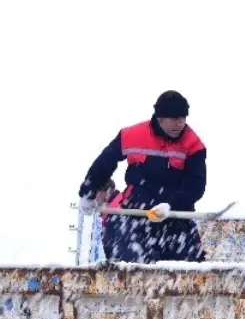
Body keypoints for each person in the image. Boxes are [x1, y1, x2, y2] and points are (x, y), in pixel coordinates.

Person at [77, 90, 207, 263]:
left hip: (175, 217)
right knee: (133, 266)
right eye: (175, 118)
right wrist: (88, 192)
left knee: (188, 273)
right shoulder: (130, 136)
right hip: (136, 215)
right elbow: (104, 163)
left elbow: (196, 185)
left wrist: (171, 205)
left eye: (183, 118)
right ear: (160, 118)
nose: (180, 123)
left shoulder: (194, 145)